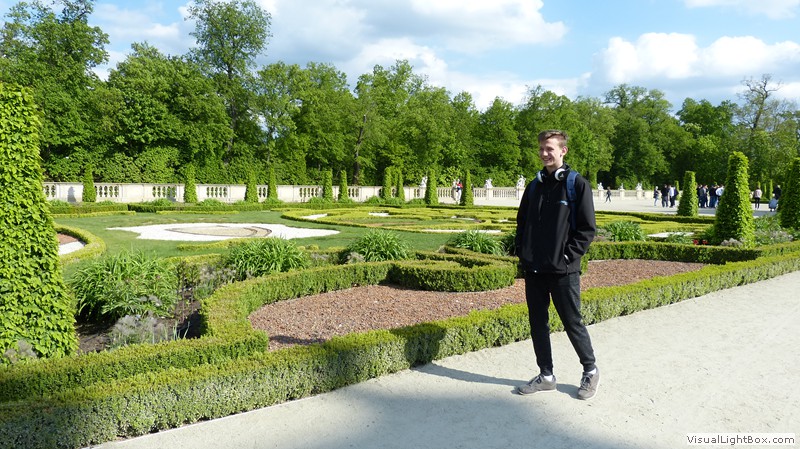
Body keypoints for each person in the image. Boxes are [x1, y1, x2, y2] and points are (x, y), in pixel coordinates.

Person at [515, 129, 599, 400]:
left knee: (572, 322)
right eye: (541, 148)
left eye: (549, 148)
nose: (544, 153)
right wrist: (524, 254)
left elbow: (587, 229)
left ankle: (590, 370)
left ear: (563, 150)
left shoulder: (576, 184)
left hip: (563, 271)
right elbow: (522, 222)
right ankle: (546, 375)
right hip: (535, 269)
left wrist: (566, 257)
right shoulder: (534, 185)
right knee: (537, 323)